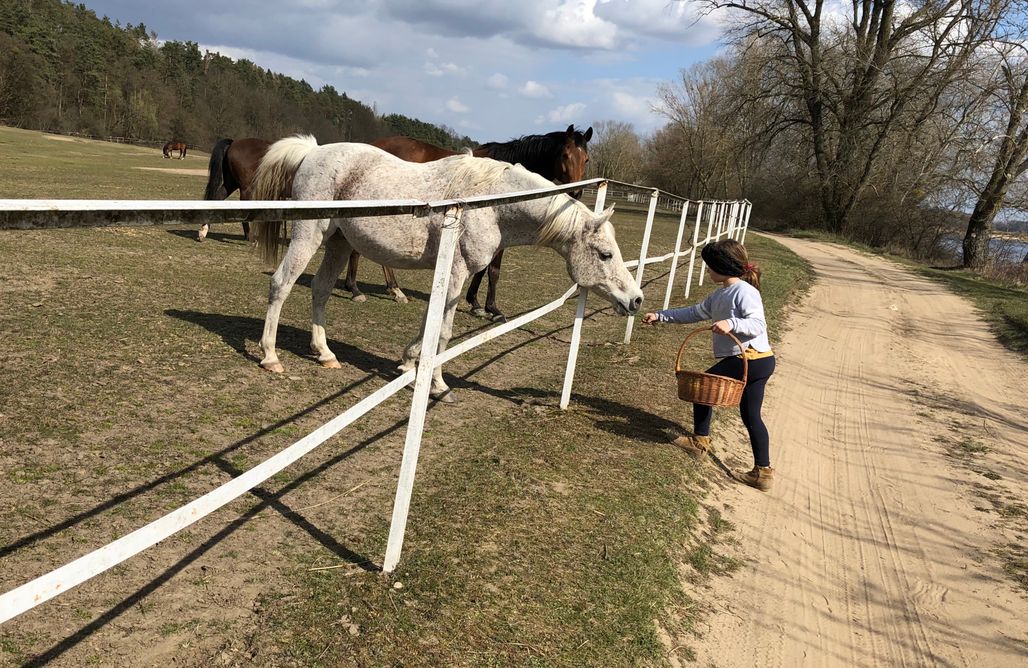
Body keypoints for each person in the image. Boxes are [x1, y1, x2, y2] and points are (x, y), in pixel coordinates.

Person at [642, 239, 776, 491]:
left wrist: (731, 324)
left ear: (722, 266)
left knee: (702, 387)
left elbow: (757, 325)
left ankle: (699, 442)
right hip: (756, 361)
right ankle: (763, 472)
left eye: (710, 266)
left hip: (748, 359)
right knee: (751, 416)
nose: (708, 271)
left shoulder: (745, 292)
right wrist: (661, 315)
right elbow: (694, 313)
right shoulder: (720, 295)